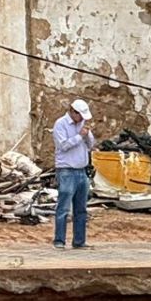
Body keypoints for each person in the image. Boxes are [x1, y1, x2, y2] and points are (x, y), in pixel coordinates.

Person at [52, 97, 98, 249]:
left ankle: (79, 241)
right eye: (80, 116)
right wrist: (79, 136)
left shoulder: (82, 124)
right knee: (63, 208)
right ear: (73, 112)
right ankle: (59, 240)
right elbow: (63, 145)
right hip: (66, 170)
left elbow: (91, 145)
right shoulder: (60, 124)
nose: (82, 119)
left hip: (81, 171)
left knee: (81, 209)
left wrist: (87, 135)